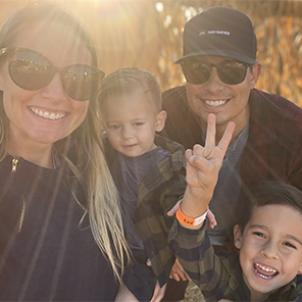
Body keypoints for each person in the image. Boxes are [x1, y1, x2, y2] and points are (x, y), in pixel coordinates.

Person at [0, 2, 130, 300]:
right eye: (31, 67)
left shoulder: (97, 175)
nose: (56, 94)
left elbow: (144, 254)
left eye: (79, 77)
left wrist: (133, 289)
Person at [162, 5, 302, 248]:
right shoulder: (158, 118)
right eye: (198, 70)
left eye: (231, 70)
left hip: (257, 271)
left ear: (254, 74)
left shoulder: (292, 132)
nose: (214, 85)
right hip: (174, 261)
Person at [99, 67, 188, 301]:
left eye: (137, 124)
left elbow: (187, 213)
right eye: (115, 126)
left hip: (148, 258)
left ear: (158, 121)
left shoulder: (174, 167)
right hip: (111, 253)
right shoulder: (104, 154)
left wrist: (179, 255)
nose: (127, 135)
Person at [170, 166, 302, 300]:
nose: (270, 252)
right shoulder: (225, 274)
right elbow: (191, 247)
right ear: (239, 236)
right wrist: (196, 199)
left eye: (288, 244)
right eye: (260, 234)